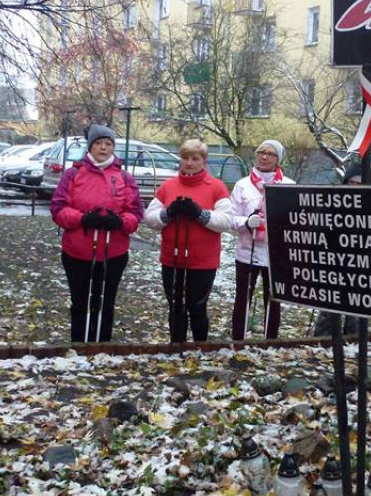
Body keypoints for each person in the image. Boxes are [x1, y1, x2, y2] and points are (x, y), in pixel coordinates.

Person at [50, 124, 143, 342]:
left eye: (108, 143)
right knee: (80, 300)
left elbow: (136, 213)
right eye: (99, 143)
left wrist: (120, 221)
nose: (103, 148)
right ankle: (79, 342)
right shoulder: (73, 175)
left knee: (105, 301)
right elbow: (58, 208)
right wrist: (82, 218)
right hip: (78, 251)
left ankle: (103, 343)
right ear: (90, 147)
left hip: (113, 251)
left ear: (113, 147)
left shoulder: (124, 177)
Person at [144, 139, 235, 343]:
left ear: (204, 161)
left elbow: (226, 221)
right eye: (185, 158)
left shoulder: (216, 187)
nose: (189, 163)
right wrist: (168, 213)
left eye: (195, 159)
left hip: (203, 261)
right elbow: (150, 218)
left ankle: (199, 348)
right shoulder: (169, 186)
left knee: (197, 306)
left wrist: (199, 214)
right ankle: (177, 348)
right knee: (176, 306)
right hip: (172, 259)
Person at [230, 139, 295, 340]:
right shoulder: (242, 185)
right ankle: (238, 339)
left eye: (270, 154)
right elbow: (231, 218)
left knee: (273, 299)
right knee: (243, 298)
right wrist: (247, 222)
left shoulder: (288, 185)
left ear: (278, 159)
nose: (264, 157)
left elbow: (294, 220)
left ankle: (271, 341)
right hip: (246, 252)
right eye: (261, 152)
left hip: (275, 253)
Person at [313, 161, 364, 338]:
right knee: (328, 311)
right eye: (353, 182)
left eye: (360, 183)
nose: (356, 187)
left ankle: (354, 343)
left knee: (356, 313)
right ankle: (322, 343)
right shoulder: (331, 203)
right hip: (333, 265)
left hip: (360, 267)